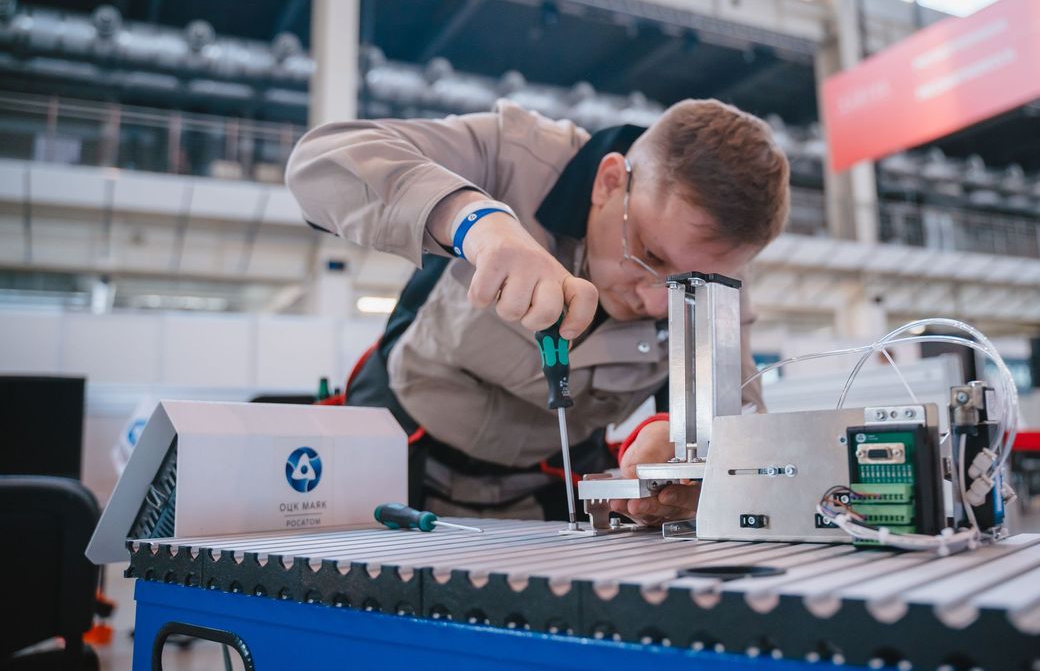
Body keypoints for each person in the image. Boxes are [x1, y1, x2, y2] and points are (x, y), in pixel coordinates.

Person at [285, 98, 790, 524]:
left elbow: (739, 419)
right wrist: (477, 224)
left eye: (686, 284)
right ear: (610, 182)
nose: (656, 302)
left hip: (550, 494)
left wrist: (681, 448)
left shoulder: (723, 277)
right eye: (648, 255)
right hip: (394, 456)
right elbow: (320, 162)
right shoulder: (516, 155)